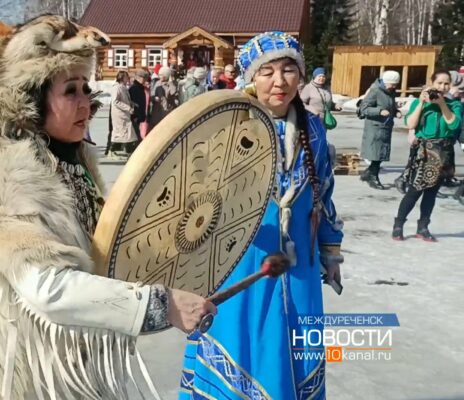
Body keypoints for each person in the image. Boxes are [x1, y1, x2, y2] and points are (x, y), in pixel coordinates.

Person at [0, 14, 215, 400]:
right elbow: (45, 288)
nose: (86, 105)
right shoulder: (0, 176)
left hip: (66, 367)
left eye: (86, 89)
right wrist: (157, 305)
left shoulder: (70, 161)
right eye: (70, 91)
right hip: (12, 374)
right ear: (30, 98)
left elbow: (102, 251)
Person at [180, 32, 343, 400]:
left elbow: (325, 195)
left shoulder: (313, 130)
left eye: (288, 70)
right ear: (250, 77)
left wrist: (330, 252)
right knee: (241, 339)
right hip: (240, 260)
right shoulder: (226, 127)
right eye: (267, 71)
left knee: (295, 343)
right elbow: (194, 201)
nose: (279, 81)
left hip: (299, 264)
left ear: (300, 76)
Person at [392, 70, 462, 241]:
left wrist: (442, 105)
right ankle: (398, 224)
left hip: (444, 152)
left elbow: (453, 126)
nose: (443, 87)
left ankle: (423, 227)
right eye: (439, 83)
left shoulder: (455, 105)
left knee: (432, 193)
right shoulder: (420, 102)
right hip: (424, 152)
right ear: (432, 83)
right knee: (415, 190)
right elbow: (411, 123)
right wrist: (422, 104)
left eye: (446, 83)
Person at [358, 70, 402, 189]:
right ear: (385, 82)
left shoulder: (391, 92)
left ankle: (369, 173)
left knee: (381, 154)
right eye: (392, 84)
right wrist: (379, 111)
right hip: (375, 127)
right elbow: (364, 108)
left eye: (395, 84)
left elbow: (389, 106)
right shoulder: (375, 91)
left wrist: (396, 112)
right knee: (376, 154)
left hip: (386, 126)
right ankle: (373, 176)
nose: (393, 87)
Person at [110, 70, 138, 158]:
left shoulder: (123, 87)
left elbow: (124, 99)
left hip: (124, 114)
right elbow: (115, 101)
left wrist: (132, 103)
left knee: (126, 133)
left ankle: (125, 150)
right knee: (121, 133)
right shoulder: (117, 87)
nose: (128, 78)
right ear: (122, 78)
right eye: (126, 77)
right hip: (119, 114)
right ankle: (112, 151)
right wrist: (128, 108)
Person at [129, 69, 149, 140]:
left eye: (144, 78)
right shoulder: (134, 88)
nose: (144, 79)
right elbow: (133, 102)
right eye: (142, 77)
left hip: (140, 116)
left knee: (139, 135)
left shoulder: (142, 88)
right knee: (136, 136)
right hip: (135, 116)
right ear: (138, 77)